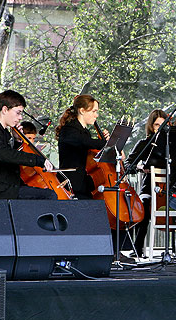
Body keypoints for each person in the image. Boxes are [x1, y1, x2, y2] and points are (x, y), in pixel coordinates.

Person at [56, 95, 135, 261]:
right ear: (82, 110)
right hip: (72, 183)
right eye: (94, 111)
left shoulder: (83, 130)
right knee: (100, 210)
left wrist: (106, 144)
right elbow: (83, 142)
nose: (96, 115)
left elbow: (91, 148)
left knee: (106, 209)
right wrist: (107, 143)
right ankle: (104, 252)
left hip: (85, 182)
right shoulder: (70, 129)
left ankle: (112, 251)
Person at [0, 90, 58, 200]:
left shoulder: (2, 131)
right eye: (18, 112)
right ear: (5, 110)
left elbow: (8, 159)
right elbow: (2, 153)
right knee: (49, 196)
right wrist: (38, 160)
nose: (20, 117)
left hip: (7, 189)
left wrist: (17, 141)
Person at [128, 109, 169, 258]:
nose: (160, 128)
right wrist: (140, 167)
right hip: (150, 188)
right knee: (143, 205)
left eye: (163, 124)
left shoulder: (174, 146)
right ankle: (137, 248)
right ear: (151, 126)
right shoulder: (145, 144)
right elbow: (128, 164)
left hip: (171, 189)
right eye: (157, 124)